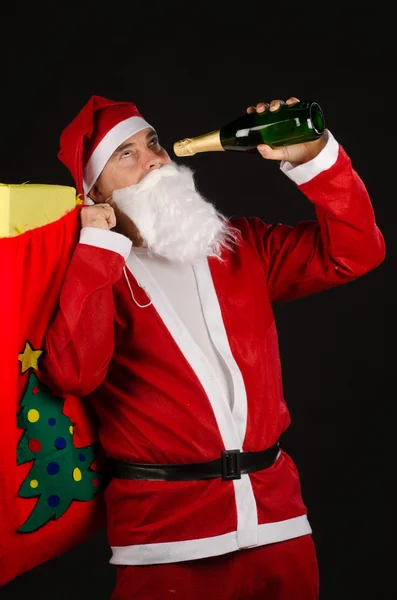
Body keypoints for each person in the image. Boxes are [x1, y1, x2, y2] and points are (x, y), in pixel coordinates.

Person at [39, 94, 385, 599]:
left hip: (278, 523)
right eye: (126, 155)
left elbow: (355, 252)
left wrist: (313, 158)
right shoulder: (91, 278)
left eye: (152, 143)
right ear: (94, 194)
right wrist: (95, 254)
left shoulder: (242, 246)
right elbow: (72, 373)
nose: (154, 159)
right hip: (167, 541)